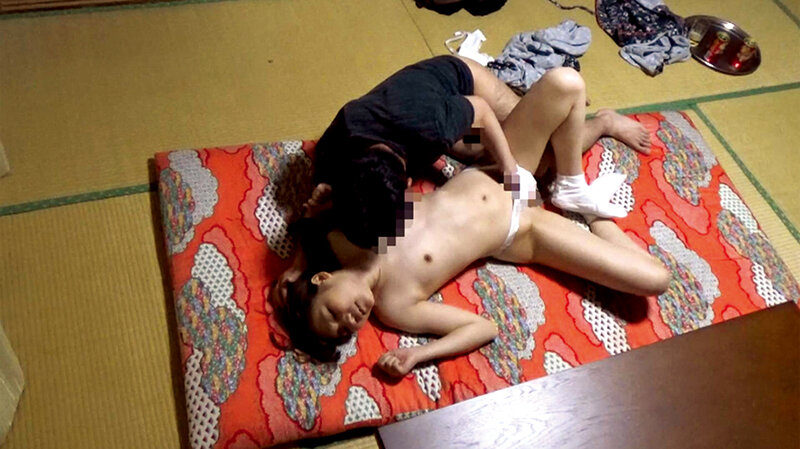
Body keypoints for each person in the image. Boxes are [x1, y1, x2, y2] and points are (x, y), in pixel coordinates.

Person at [271, 165, 672, 377]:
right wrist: (418, 355)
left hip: (492, 169)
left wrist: (295, 265)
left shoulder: (342, 237)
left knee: (562, 85)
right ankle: (593, 215)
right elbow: (483, 328)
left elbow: (310, 214)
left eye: (332, 313)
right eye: (344, 331)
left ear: (322, 279)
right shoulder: (394, 306)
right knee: (655, 279)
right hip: (522, 228)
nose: (349, 321)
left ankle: (599, 129)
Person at [311, 55, 651, 248]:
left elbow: (482, 112)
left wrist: (512, 171)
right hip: (432, 110)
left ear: (409, 182)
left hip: (466, 82)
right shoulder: (337, 146)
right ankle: (554, 104)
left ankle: (603, 121)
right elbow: (343, 193)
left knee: (543, 158)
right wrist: (324, 190)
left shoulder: (430, 126)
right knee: (483, 152)